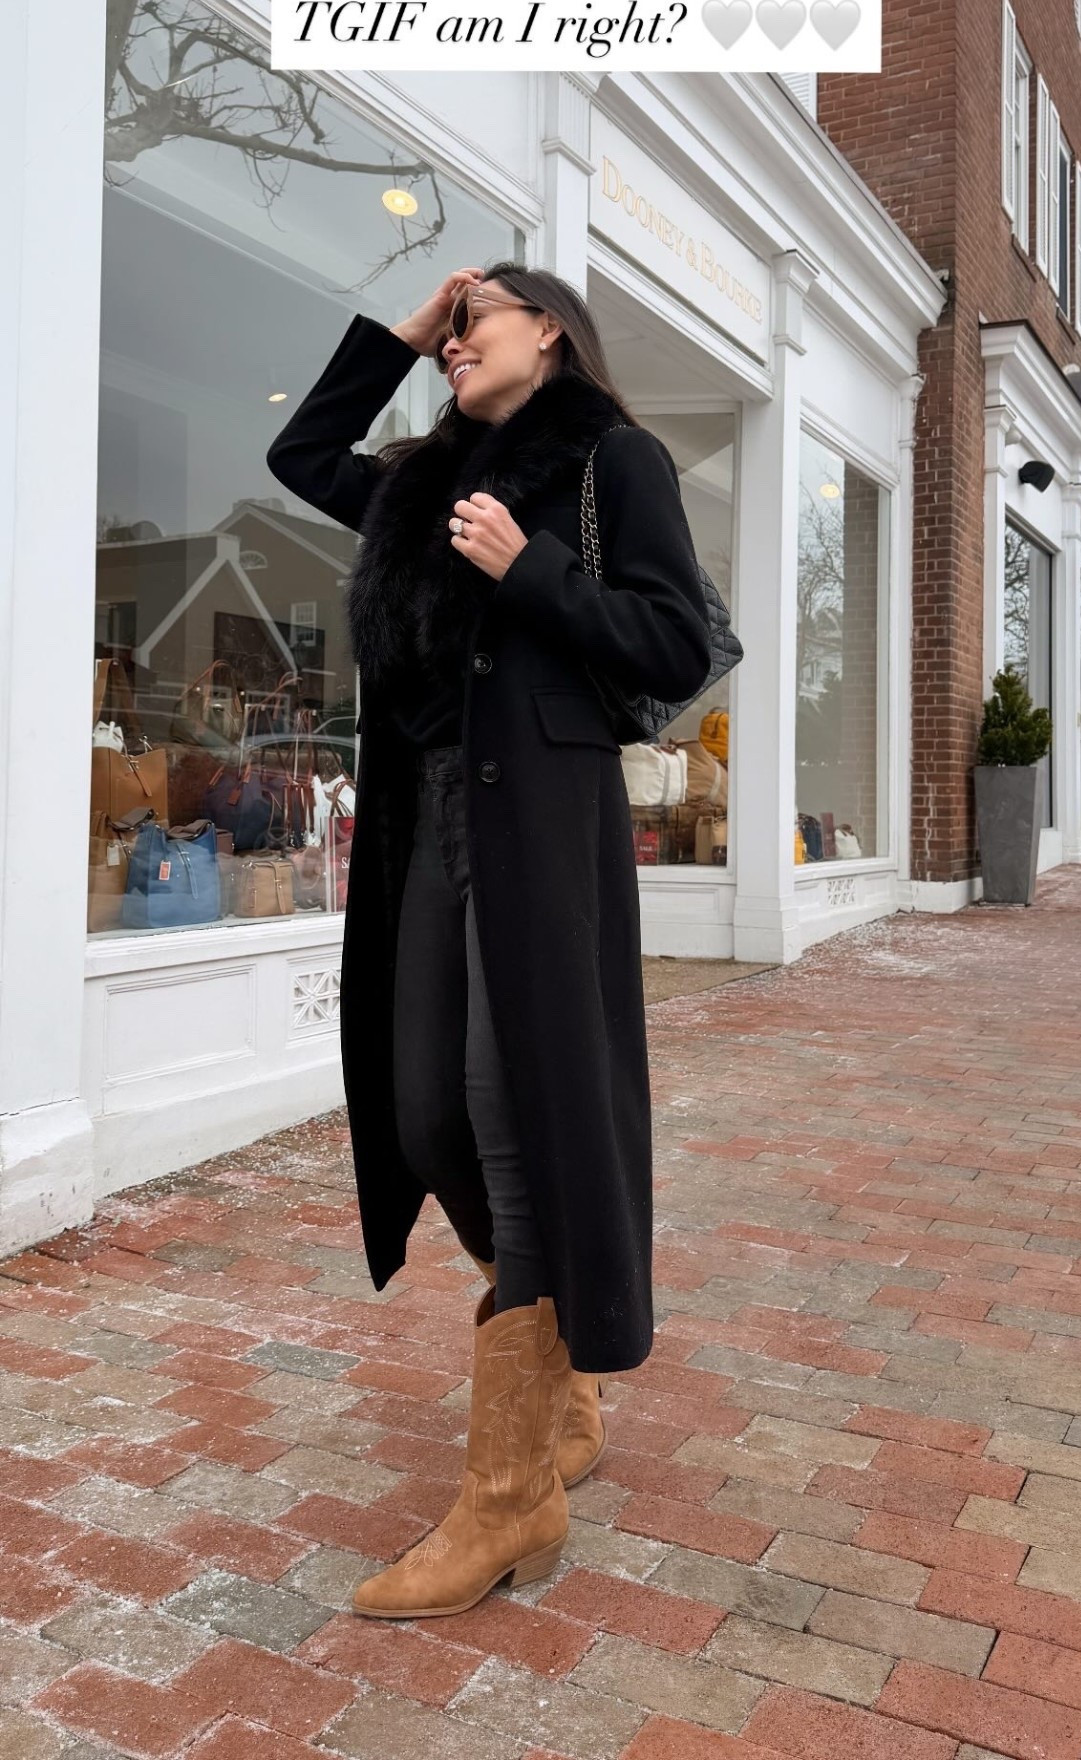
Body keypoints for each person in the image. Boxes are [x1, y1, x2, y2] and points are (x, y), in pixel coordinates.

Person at [267, 262, 711, 1620]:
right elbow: (298, 451)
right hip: (431, 825)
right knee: (424, 1115)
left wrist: (535, 573)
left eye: (478, 322)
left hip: (540, 829)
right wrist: (402, 334)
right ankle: (557, 1365)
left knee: (505, 1109)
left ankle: (513, 1497)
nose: (457, 344)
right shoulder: (416, 481)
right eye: (447, 331)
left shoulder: (609, 458)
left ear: (551, 331)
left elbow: (677, 643)